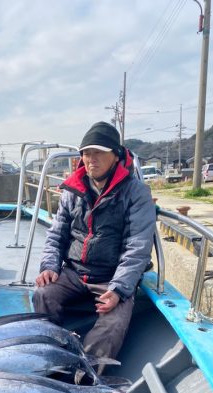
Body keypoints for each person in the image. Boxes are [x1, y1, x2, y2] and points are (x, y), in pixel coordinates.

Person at [33, 121, 156, 365]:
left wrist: (119, 289)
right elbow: (57, 234)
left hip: (112, 277)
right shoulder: (73, 190)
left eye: (99, 152)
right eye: (87, 153)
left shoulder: (136, 192)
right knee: (43, 295)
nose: (91, 159)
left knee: (112, 326)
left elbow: (138, 247)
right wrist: (49, 266)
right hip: (74, 272)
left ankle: (84, 380)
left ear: (116, 155)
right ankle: (54, 358)